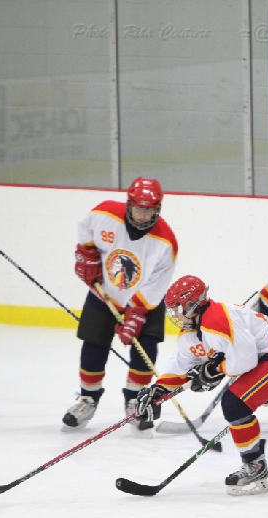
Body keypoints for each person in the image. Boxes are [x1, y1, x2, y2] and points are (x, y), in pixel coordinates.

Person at [134, 275, 268, 495]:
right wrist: (158, 392)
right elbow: (180, 365)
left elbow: (245, 361)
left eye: (176, 308)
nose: (173, 314)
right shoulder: (192, 332)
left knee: (235, 403)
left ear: (191, 305)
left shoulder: (216, 320)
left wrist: (214, 370)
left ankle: (255, 466)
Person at [63, 177, 177, 437]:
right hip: (105, 293)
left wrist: (137, 314)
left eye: (149, 211)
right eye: (138, 209)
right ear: (129, 205)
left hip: (145, 301)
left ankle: (136, 400)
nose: (142, 216)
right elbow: (85, 230)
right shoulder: (105, 214)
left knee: (146, 347)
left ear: (158, 209)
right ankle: (88, 399)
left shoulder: (166, 242)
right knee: (94, 344)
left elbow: (159, 282)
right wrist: (87, 255)